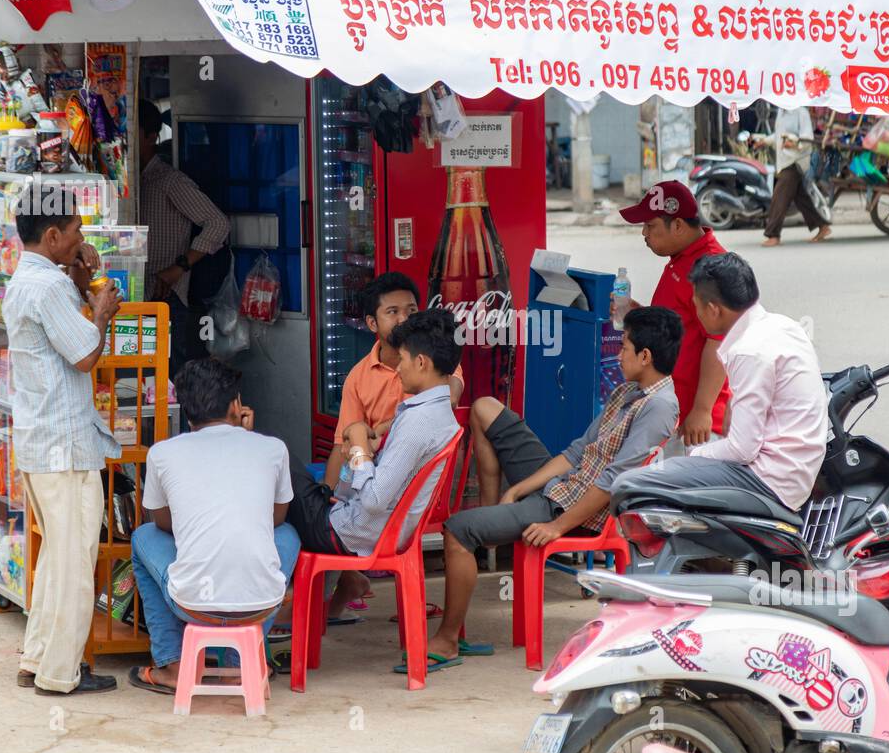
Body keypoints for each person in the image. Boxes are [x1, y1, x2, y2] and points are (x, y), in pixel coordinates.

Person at [426, 307, 682, 671]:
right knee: (485, 408)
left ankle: (448, 640)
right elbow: (577, 451)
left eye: (624, 347)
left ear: (645, 356)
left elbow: (613, 485)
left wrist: (556, 527)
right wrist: (519, 490)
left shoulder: (659, 407)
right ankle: (498, 518)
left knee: (457, 530)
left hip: (569, 509)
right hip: (562, 486)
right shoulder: (628, 391)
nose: (618, 353)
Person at [126, 358, 300, 694]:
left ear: (186, 410)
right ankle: (241, 666)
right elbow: (276, 518)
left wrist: (199, 524)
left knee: (142, 537)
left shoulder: (162, 453)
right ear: (236, 404)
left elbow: (160, 522)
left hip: (192, 601)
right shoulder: (272, 448)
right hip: (262, 601)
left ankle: (173, 664)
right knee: (288, 535)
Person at [3, 203, 122, 695]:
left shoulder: (27, 279)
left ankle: (38, 658)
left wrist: (80, 277)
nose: (82, 238)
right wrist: (101, 311)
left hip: (40, 440)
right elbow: (84, 356)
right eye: (75, 231)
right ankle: (60, 674)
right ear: (52, 235)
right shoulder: (48, 286)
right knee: (74, 561)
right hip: (63, 446)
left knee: (57, 556)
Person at [612, 252, 827, 515]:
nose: (697, 314)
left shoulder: (749, 350)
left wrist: (692, 457)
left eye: (697, 306)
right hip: (793, 470)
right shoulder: (782, 326)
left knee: (629, 483)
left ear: (714, 310)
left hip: (769, 478)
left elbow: (742, 448)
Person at [284, 309, 461, 620]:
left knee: (277, 456)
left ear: (421, 363)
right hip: (371, 527)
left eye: (403, 360)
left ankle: (269, 606)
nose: (399, 369)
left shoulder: (418, 422)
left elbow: (375, 500)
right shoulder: (438, 414)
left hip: (352, 532)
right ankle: (315, 604)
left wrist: (359, 447)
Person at [619, 181, 730, 454]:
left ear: (678, 225)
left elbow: (719, 343)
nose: (644, 234)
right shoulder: (680, 259)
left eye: (651, 226)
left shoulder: (711, 266)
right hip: (669, 406)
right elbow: (680, 324)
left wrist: (702, 410)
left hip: (693, 422)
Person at [325, 272, 463, 488]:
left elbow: (450, 398)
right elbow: (344, 442)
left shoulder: (433, 358)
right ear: (372, 323)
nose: (404, 319)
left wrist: (382, 429)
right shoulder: (358, 377)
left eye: (412, 311)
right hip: (383, 478)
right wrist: (327, 495)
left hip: (427, 479)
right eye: (393, 312)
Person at [138, 99, 230, 375]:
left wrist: (179, 268)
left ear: (151, 136)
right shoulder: (129, 182)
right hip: (134, 297)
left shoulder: (169, 181)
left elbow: (217, 223)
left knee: (169, 380)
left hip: (166, 297)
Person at [761, 105, 831, 246]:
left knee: (779, 197)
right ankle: (822, 226)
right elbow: (779, 135)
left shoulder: (800, 112)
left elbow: (807, 138)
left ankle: (773, 234)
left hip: (796, 161)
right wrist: (764, 141)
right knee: (801, 198)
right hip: (785, 161)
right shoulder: (781, 111)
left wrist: (794, 144)